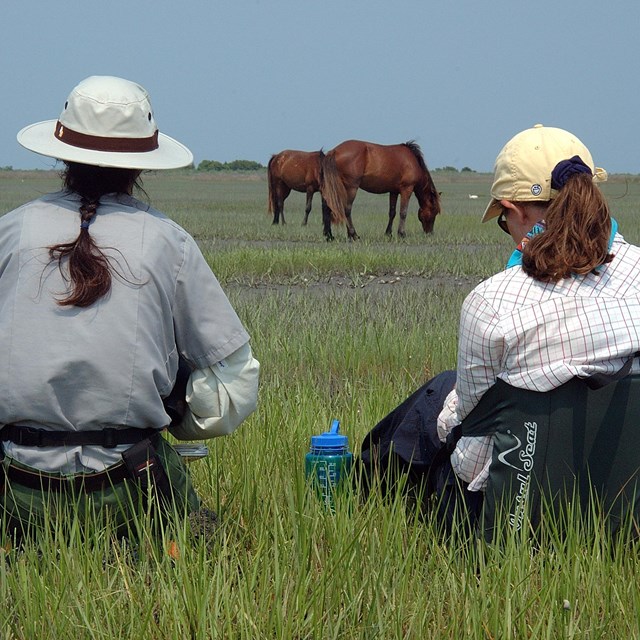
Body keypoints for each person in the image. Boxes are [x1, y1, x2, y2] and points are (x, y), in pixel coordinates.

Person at [0, 76, 260, 541]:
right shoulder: (169, 242)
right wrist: (177, 405)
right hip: (128, 488)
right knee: (213, 545)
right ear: (141, 166)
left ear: (62, 154)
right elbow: (235, 385)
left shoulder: (10, 231)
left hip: (15, 488)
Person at [361, 124, 640, 531]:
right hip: (622, 512)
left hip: (506, 520)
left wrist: (445, 411)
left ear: (516, 211)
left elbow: (468, 434)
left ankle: (358, 493)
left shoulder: (494, 301)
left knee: (440, 399)